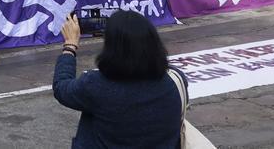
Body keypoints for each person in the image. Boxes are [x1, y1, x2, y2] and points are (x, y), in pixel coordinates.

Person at [53, 11, 186, 148]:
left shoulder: (96, 85)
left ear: (111, 48)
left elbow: (61, 87)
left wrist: (70, 46)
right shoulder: (175, 80)